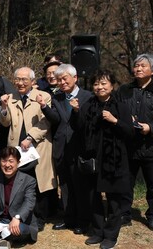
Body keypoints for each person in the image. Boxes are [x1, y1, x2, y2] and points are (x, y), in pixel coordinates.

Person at [72, 70, 133, 249]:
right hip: (92, 159)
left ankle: (111, 235)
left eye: (103, 83)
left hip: (113, 160)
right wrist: (76, 111)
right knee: (94, 197)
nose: (99, 87)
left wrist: (114, 120)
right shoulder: (88, 104)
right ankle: (98, 231)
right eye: (96, 84)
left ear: (112, 85)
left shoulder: (121, 105)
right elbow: (79, 128)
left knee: (114, 200)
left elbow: (129, 132)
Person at [0, 67, 56, 231]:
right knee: (21, 182)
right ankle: (23, 215)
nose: (20, 83)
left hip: (37, 146)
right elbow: (5, 122)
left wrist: (31, 137)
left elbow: (46, 122)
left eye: (24, 79)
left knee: (40, 182)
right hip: (17, 149)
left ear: (32, 81)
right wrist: (3, 108)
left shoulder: (44, 96)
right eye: (17, 79)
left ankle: (41, 218)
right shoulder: (10, 98)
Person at [38, 64, 92, 234]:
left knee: (81, 187)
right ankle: (68, 218)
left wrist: (77, 110)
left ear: (75, 78)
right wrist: (44, 107)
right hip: (61, 147)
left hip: (80, 147)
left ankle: (83, 221)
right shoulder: (58, 97)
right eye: (59, 79)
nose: (61, 82)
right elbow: (55, 119)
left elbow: (88, 122)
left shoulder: (88, 96)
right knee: (66, 185)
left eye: (64, 79)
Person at [118, 54, 153, 229]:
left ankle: (152, 215)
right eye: (136, 66)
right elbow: (115, 110)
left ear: (152, 70)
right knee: (126, 182)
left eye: (143, 66)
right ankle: (124, 214)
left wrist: (150, 127)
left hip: (150, 146)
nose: (138, 69)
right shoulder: (124, 90)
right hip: (128, 145)